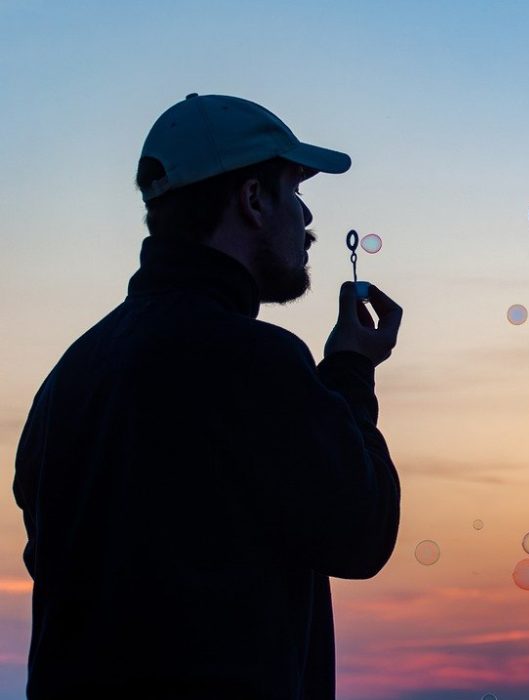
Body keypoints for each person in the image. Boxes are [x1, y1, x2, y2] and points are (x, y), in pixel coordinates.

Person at [12, 93, 403, 699]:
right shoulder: (254, 361)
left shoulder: (70, 377)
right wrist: (351, 370)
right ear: (251, 200)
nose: (306, 220)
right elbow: (362, 532)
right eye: (293, 193)